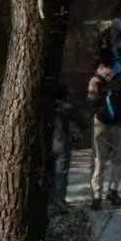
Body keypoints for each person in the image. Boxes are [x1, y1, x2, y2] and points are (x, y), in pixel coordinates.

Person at [87, 48, 121, 210]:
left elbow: (91, 101)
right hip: (119, 124)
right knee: (118, 159)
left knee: (99, 160)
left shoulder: (95, 79)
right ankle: (113, 191)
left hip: (100, 123)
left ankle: (96, 196)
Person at [48, 83, 77, 213]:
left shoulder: (46, 108)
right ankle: (60, 202)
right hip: (61, 140)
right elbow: (80, 119)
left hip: (49, 142)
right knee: (61, 173)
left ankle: (50, 202)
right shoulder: (66, 108)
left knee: (50, 173)